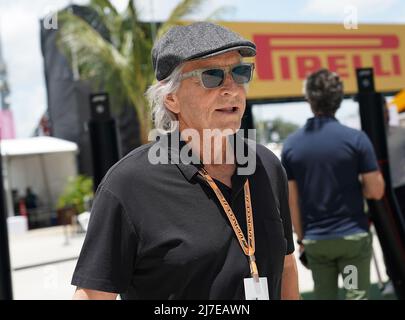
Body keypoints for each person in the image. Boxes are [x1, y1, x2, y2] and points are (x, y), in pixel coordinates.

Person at [71, 22, 299, 300]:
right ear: (171, 99)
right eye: (212, 76)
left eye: (240, 73)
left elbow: (286, 264)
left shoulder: (266, 165)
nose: (232, 88)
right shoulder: (128, 185)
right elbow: (93, 295)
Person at [281, 69, 385, 300]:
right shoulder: (356, 139)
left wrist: (301, 239)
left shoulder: (291, 146)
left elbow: (292, 201)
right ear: (339, 99)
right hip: (352, 240)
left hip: (316, 241)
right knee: (355, 296)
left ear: (309, 98)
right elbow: (376, 191)